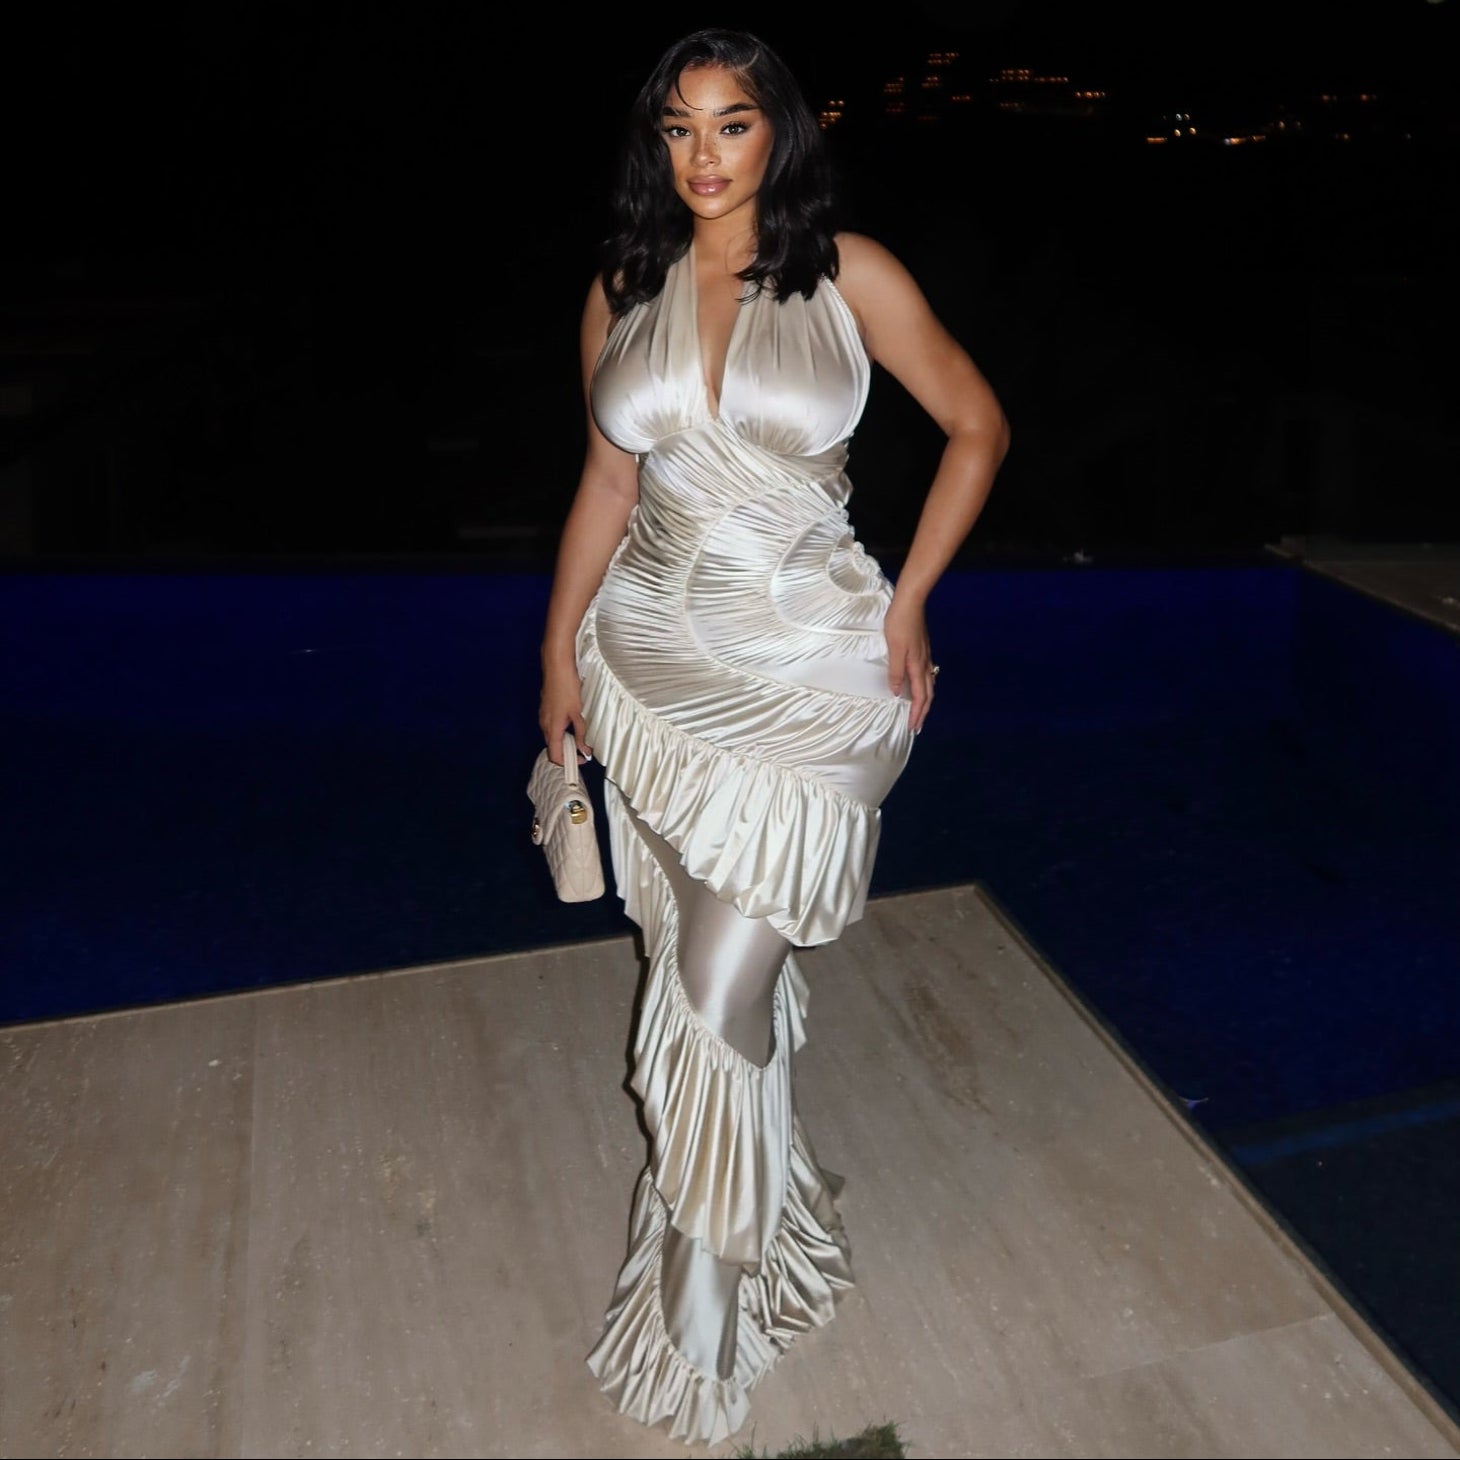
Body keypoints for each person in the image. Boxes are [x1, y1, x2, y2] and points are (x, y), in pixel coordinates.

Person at [537, 26, 1010, 1445]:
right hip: (652, 654)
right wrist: (556, 655)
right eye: (678, 130)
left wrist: (914, 600)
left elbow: (977, 427)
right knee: (698, 967)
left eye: (730, 127)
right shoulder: (620, 293)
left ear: (778, 136)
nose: (702, 157)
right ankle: (769, 1208)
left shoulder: (849, 273)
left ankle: (701, 1292)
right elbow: (608, 486)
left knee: (712, 983)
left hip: (813, 662)